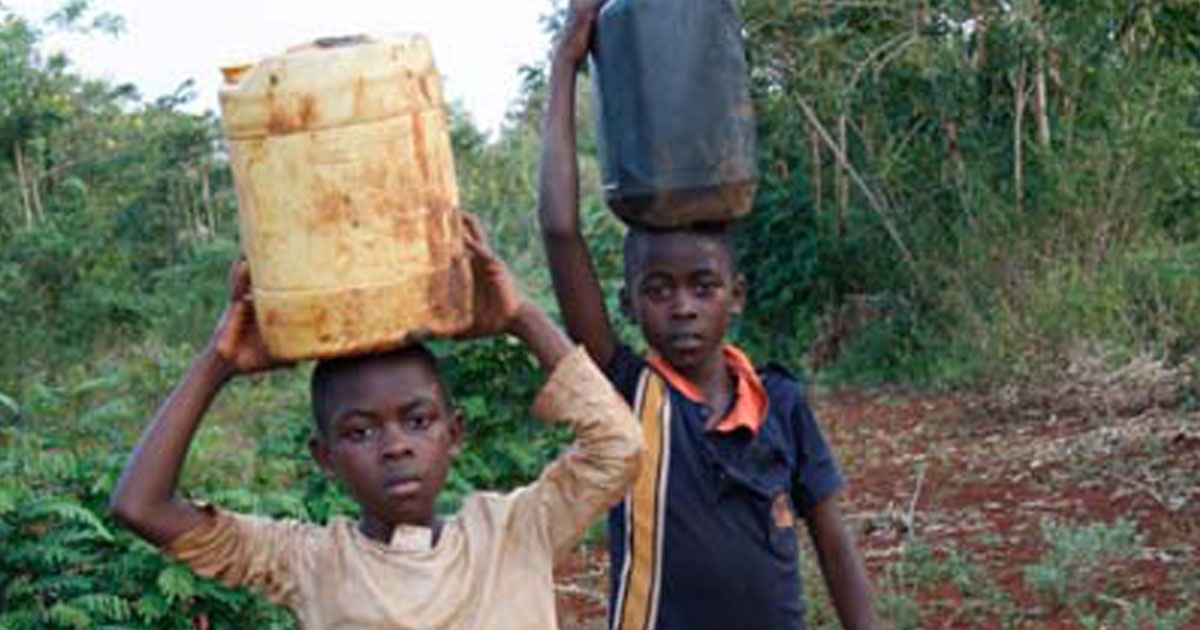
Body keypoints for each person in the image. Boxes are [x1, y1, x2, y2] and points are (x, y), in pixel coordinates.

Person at [110, 214, 643, 630]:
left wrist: (520, 317)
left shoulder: (514, 533)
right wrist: (217, 363)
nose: (395, 447)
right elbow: (141, 506)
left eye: (417, 421)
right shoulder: (310, 562)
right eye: (360, 432)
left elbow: (620, 447)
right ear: (325, 459)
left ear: (454, 433)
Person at [537, 2, 877, 629]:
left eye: (703, 286)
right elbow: (560, 231)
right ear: (629, 304)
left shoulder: (782, 403)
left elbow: (832, 541)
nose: (683, 307)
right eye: (659, 290)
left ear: (736, 295)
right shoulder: (630, 394)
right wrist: (564, 66)